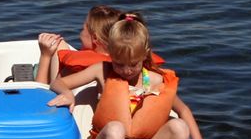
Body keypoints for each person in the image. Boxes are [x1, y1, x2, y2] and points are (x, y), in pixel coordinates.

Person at [47, 12, 220, 139]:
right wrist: (68, 93)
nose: (126, 70)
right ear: (110, 55)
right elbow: (57, 83)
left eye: (133, 65)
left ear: (144, 55)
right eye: (119, 64)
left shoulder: (154, 80)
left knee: (179, 127)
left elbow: (183, 110)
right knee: (116, 129)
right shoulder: (102, 71)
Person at [35, 5, 165, 84]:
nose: (80, 33)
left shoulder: (76, 69)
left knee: (58, 45)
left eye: (83, 29)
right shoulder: (135, 62)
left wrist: (45, 56)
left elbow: (40, 95)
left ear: (95, 38)